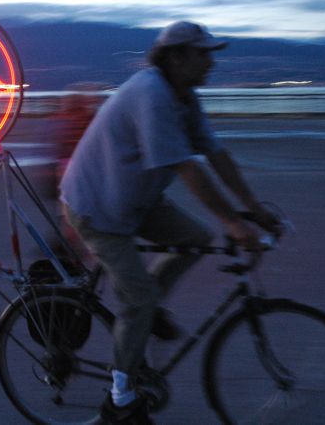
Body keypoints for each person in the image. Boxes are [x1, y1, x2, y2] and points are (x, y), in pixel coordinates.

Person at [59, 21, 281, 424]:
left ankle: (148, 311)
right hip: (98, 209)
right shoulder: (152, 95)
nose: (211, 62)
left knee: (196, 237)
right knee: (139, 299)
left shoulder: (185, 96)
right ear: (176, 57)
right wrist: (235, 222)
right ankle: (119, 401)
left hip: (137, 201)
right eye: (203, 53)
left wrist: (254, 208)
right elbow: (187, 169)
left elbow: (215, 153)